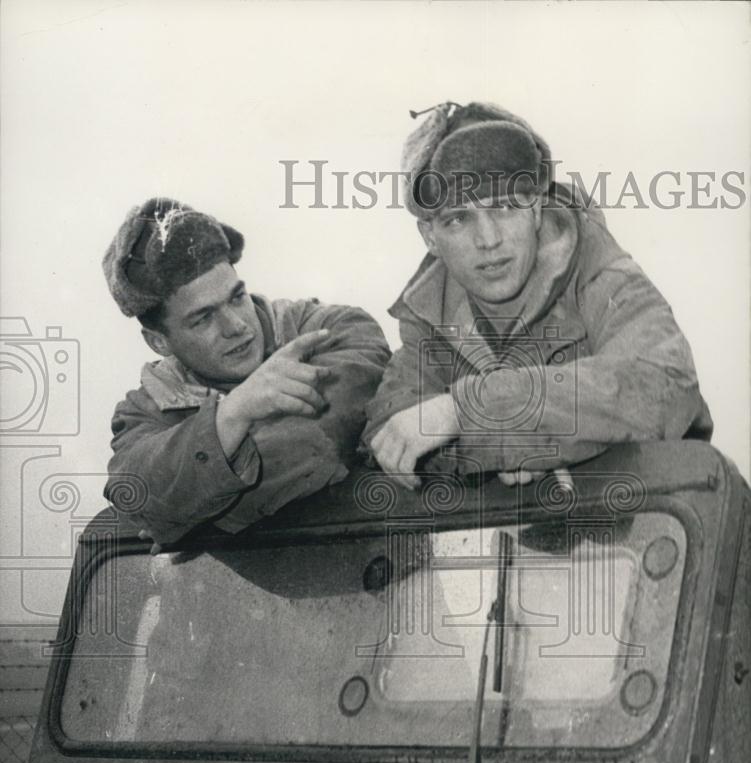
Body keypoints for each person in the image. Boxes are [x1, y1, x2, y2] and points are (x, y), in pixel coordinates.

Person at [363, 101, 713, 488]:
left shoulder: (599, 272)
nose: (489, 239)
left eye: (506, 207)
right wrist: (509, 449)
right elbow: (391, 429)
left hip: (657, 521)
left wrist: (472, 414)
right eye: (458, 218)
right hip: (521, 540)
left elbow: (662, 382)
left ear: (535, 208)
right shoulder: (429, 314)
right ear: (430, 236)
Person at [102, 198, 390, 545]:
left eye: (237, 297)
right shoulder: (143, 412)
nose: (236, 325)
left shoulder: (333, 330)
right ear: (159, 342)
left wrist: (191, 520)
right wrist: (233, 414)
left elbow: (317, 444)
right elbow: (136, 490)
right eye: (204, 318)